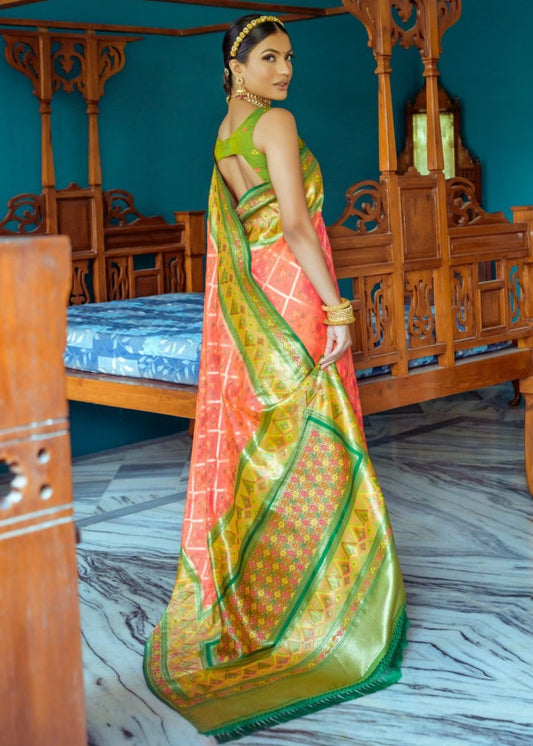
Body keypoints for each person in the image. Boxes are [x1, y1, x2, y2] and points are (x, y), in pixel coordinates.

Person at [144, 14, 407, 743]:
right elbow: (295, 223)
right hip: (293, 287)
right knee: (315, 438)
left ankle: (271, 598)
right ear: (236, 65)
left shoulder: (224, 130)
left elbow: (255, 228)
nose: (284, 69)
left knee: (274, 444)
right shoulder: (276, 123)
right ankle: (323, 608)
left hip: (254, 292)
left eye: (288, 57)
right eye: (268, 57)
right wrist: (337, 308)